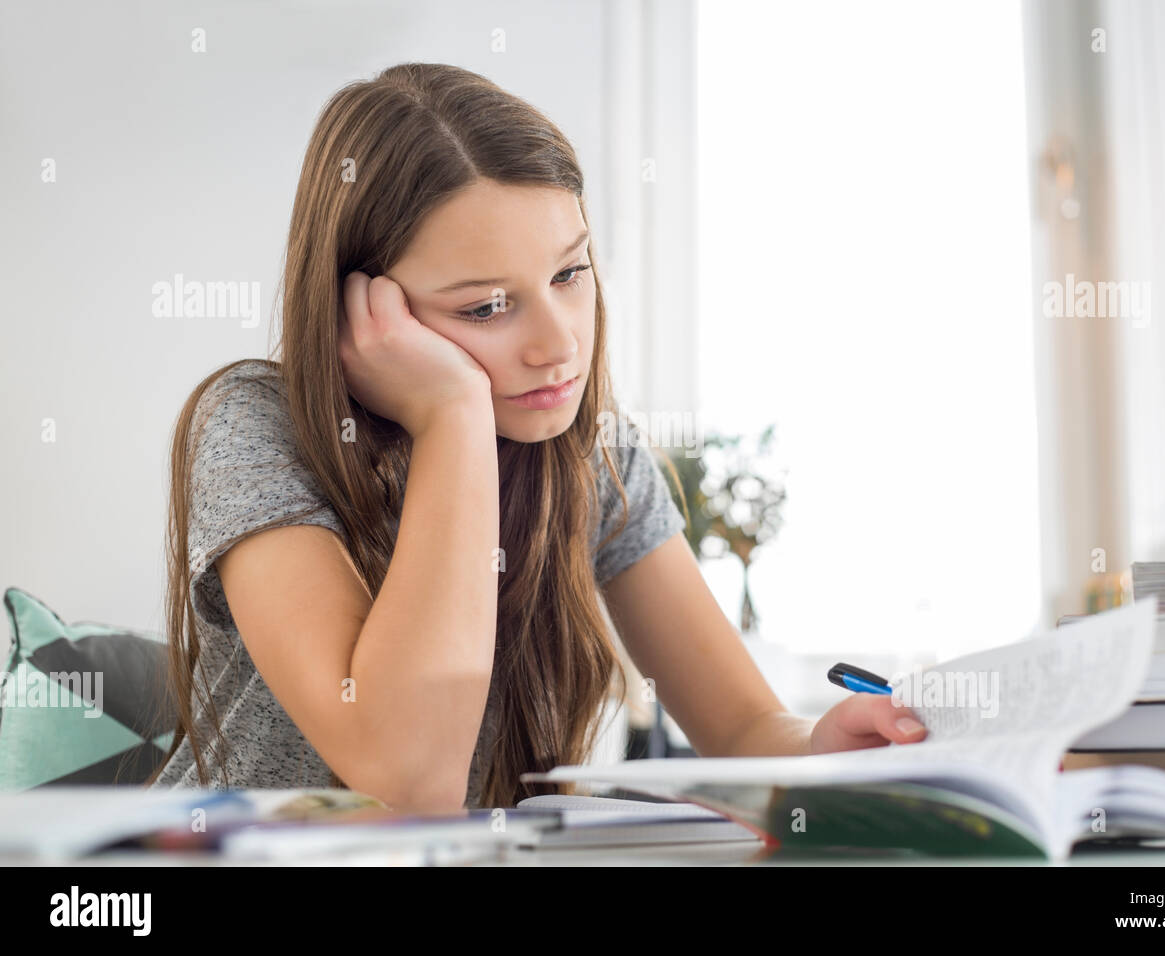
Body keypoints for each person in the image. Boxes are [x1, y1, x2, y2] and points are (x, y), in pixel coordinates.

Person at [146, 62, 927, 814]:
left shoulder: (596, 461)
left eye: (569, 273)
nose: (558, 347)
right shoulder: (255, 425)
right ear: (363, 309)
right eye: (486, 307)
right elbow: (408, 778)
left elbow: (746, 728)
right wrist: (453, 413)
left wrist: (823, 744)